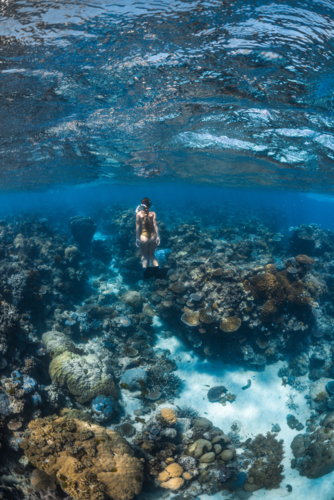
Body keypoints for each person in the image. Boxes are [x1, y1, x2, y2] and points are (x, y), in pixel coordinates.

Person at [136, 198, 162, 279]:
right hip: (153, 236)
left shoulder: (138, 214)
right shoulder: (153, 213)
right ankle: (158, 270)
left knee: (144, 256)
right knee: (152, 255)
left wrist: (137, 238)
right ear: (149, 204)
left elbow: (138, 227)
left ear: (142, 205)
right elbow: (155, 226)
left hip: (143, 237)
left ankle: (145, 272)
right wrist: (158, 236)